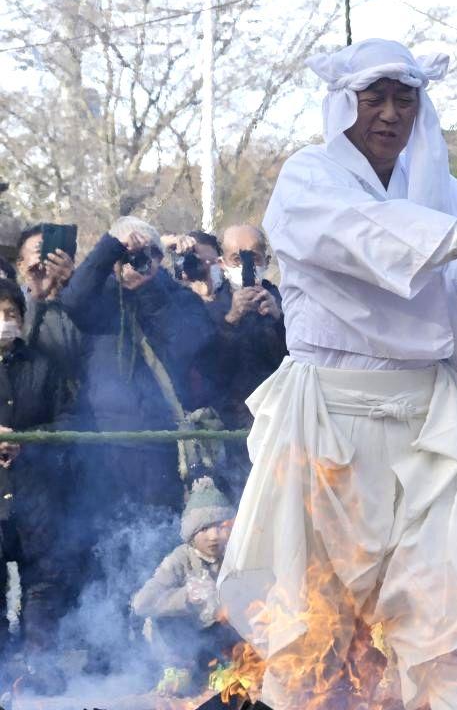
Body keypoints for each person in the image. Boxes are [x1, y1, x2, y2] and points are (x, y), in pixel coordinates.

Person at [216, 39, 457, 710]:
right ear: (344, 102)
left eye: (403, 99)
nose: (389, 113)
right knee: (302, 617)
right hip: (327, 424)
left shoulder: (440, 187)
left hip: (427, 422)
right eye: (374, 97)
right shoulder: (309, 179)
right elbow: (372, 240)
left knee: (450, 612)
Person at [61, 217, 214, 525]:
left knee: (159, 536)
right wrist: (110, 248)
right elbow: (74, 301)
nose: (137, 260)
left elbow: (188, 343)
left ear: (161, 257)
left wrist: (149, 289)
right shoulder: (101, 297)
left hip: (162, 444)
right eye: (128, 253)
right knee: (109, 544)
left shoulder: (176, 295)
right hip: (105, 445)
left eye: (149, 254)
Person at [0, 277, 71, 678]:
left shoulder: (42, 366)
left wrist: (28, 441)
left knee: (42, 588)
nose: (4, 322)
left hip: (35, 496)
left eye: (11, 314)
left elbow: (70, 421)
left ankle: (41, 675)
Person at [132, 475, 238, 695]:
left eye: (220, 527)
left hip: (217, 642)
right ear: (191, 534)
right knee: (165, 619)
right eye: (204, 529)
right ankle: (178, 670)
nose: (214, 537)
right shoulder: (179, 559)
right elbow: (141, 603)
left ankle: (222, 668)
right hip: (183, 641)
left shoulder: (236, 556)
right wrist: (185, 598)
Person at [205, 224, 288, 432]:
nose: (246, 266)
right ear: (222, 264)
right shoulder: (209, 307)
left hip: (282, 415)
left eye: (253, 258)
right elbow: (208, 370)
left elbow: (302, 359)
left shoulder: (288, 303)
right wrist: (231, 320)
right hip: (232, 420)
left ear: (266, 261)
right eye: (237, 259)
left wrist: (279, 320)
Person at [15, 225, 80, 408]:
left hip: (88, 413)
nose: (46, 258)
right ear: (20, 265)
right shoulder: (10, 308)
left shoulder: (79, 303)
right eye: (39, 250)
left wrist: (72, 282)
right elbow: (16, 356)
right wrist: (37, 298)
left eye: (52, 251)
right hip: (39, 409)